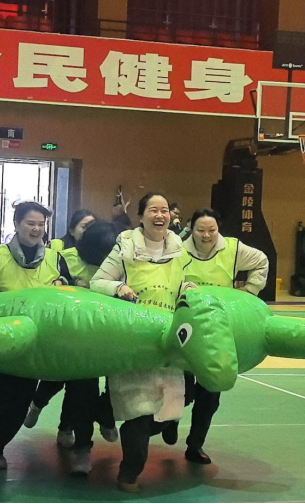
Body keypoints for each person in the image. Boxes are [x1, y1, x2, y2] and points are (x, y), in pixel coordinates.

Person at [0, 202, 80, 472]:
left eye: (41, 224)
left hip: (32, 347)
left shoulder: (55, 259)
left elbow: (70, 287)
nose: (36, 229)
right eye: (30, 223)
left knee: (19, 404)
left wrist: (63, 285)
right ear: (16, 224)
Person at [91, 192, 196, 493]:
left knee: (171, 406)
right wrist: (118, 287)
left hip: (167, 341)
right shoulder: (125, 247)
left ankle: (128, 417)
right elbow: (97, 282)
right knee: (138, 413)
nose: (160, 215)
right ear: (141, 216)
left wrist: (189, 288)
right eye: (153, 210)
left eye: (164, 210)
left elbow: (185, 283)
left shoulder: (180, 250)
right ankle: (129, 474)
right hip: (133, 340)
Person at [180, 208, 269, 465]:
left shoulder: (233, 249)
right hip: (186, 331)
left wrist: (250, 292)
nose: (207, 235)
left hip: (218, 331)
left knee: (211, 393)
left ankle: (195, 444)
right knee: (180, 390)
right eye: (201, 230)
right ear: (191, 229)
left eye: (212, 230)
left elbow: (261, 261)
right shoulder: (177, 250)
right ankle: (170, 423)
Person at [24, 209, 102, 450]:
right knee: (56, 378)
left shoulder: (105, 255)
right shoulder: (61, 253)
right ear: (72, 230)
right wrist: (74, 283)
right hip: (62, 330)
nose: (89, 231)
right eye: (84, 226)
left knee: (79, 386)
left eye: (93, 226)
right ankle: (37, 403)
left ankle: (66, 428)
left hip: (90, 334)